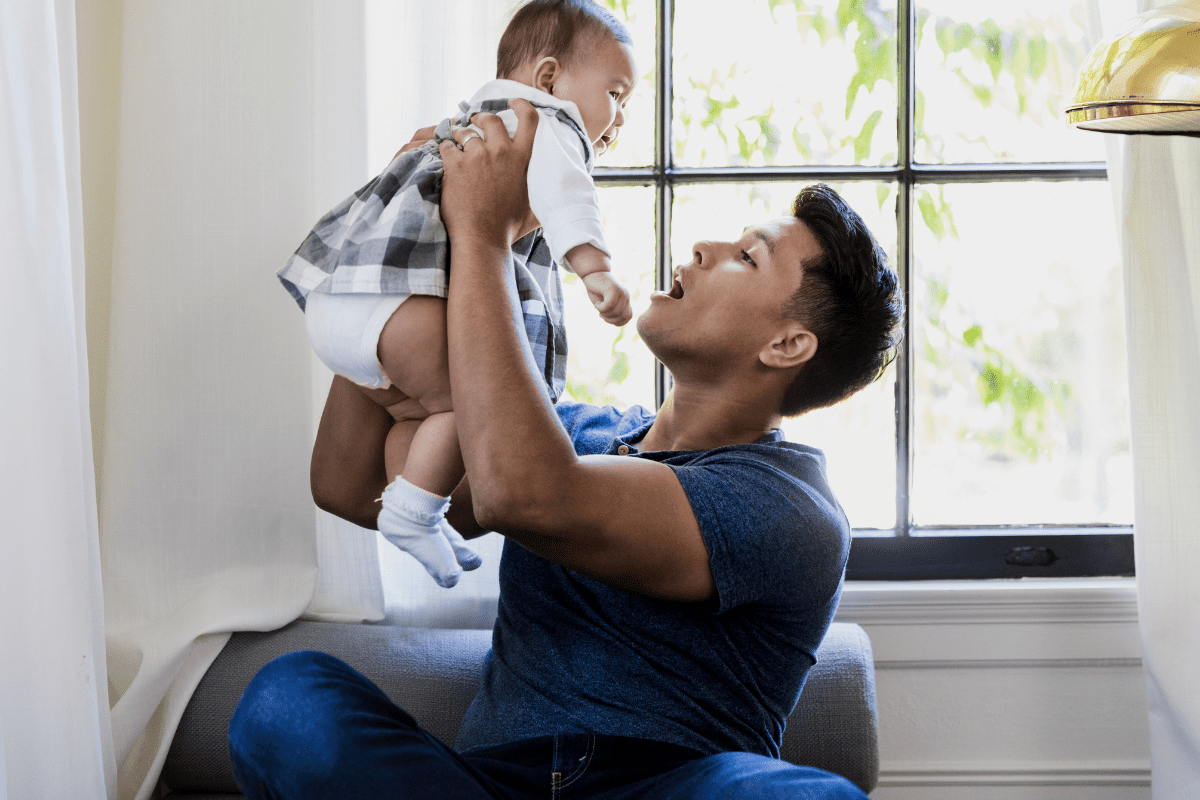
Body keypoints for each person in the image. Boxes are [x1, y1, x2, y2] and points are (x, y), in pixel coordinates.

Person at [229, 99, 904, 799]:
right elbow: (350, 483)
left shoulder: (791, 508)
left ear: (787, 345)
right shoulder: (570, 434)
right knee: (287, 699)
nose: (705, 248)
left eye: (745, 257)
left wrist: (482, 233)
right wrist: (412, 239)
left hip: (669, 784)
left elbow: (528, 495)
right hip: (486, 785)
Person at [278, 0, 637, 589]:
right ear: (550, 78)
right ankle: (414, 511)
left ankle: (418, 503)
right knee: (465, 409)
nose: (619, 118)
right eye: (617, 95)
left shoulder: (465, 123)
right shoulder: (551, 123)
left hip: (344, 300)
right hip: (399, 316)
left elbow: (338, 489)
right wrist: (595, 270)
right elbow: (571, 202)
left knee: (417, 431)